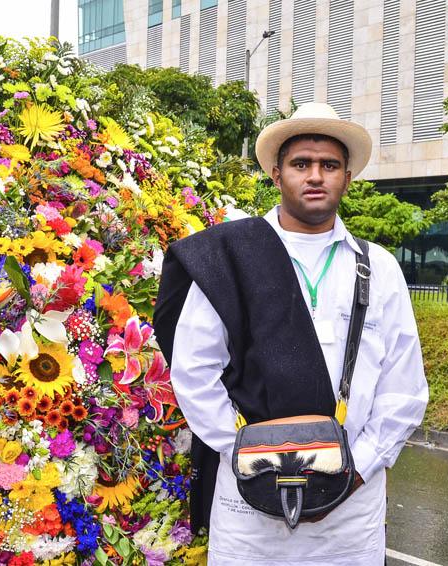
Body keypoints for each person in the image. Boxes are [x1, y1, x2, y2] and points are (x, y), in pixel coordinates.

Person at [154, 102, 429, 565]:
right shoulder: (233, 258)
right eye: (301, 164)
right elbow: (194, 371)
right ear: (278, 175)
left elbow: (403, 389)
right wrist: (252, 458)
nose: (315, 175)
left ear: (346, 177)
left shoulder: (379, 267)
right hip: (248, 516)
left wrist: (352, 473)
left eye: (330, 165)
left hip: (350, 516)